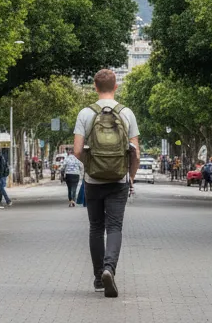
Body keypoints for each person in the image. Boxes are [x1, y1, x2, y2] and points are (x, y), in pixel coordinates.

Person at [73, 68, 140, 298]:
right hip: (119, 180)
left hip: (93, 180)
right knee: (114, 227)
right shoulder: (126, 113)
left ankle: (98, 276)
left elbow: (77, 151)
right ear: (116, 86)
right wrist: (130, 177)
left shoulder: (85, 113)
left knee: (95, 227)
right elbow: (136, 153)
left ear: (94, 87)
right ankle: (110, 268)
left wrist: (92, 165)